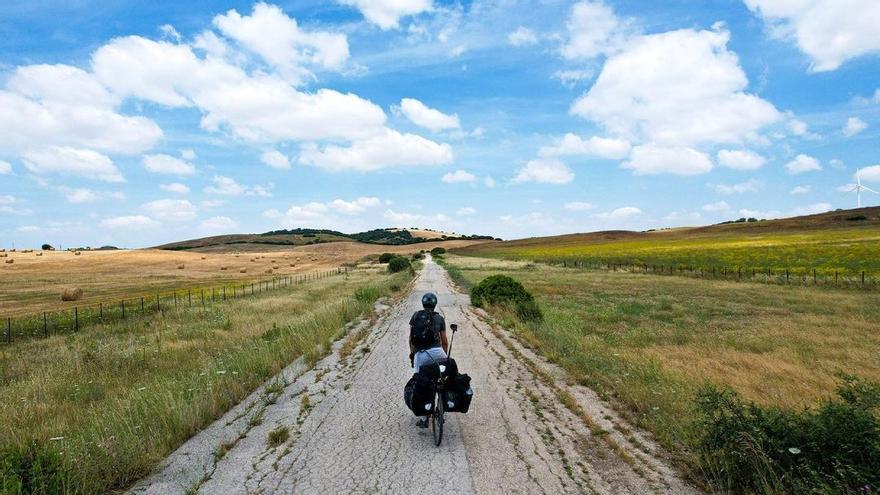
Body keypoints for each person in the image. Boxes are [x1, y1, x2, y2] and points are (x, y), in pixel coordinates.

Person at [409, 292, 448, 427]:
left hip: (421, 354)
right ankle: (442, 407)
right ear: (435, 304)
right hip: (438, 353)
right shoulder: (440, 319)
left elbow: (411, 341)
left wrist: (413, 354)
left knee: (422, 383)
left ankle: (424, 419)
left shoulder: (415, 317)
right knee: (443, 378)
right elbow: (445, 342)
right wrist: (445, 358)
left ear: (423, 303)